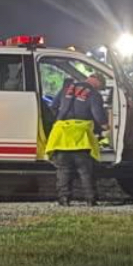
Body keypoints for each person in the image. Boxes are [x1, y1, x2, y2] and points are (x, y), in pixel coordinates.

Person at [43, 72, 107, 206]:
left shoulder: (66, 88)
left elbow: (53, 107)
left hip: (61, 136)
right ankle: (90, 199)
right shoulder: (94, 94)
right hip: (81, 138)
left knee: (63, 171)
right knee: (85, 171)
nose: (99, 89)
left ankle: (64, 199)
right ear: (97, 82)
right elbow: (98, 115)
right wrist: (105, 126)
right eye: (101, 87)